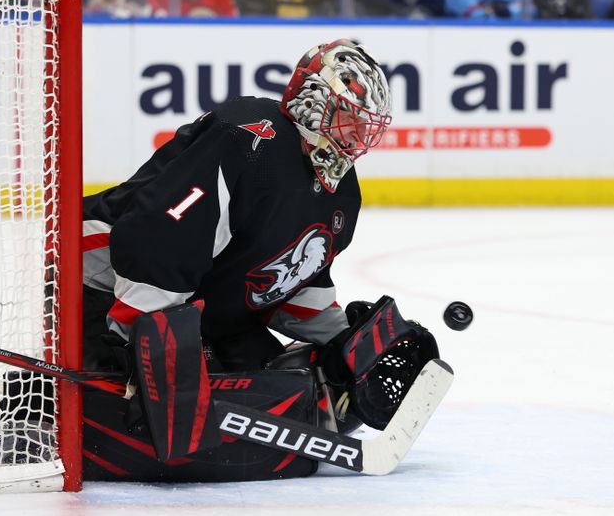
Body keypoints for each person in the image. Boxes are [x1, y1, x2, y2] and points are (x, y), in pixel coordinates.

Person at [79, 38, 440, 482]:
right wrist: (137, 337)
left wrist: (343, 343)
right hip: (100, 285)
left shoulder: (341, 194)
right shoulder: (249, 137)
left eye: (365, 126)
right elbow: (161, 234)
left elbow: (289, 281)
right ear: (313, 101)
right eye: (349, 118)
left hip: (200, 310)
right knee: (112, 420)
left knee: (291, 393)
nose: (356, 137)